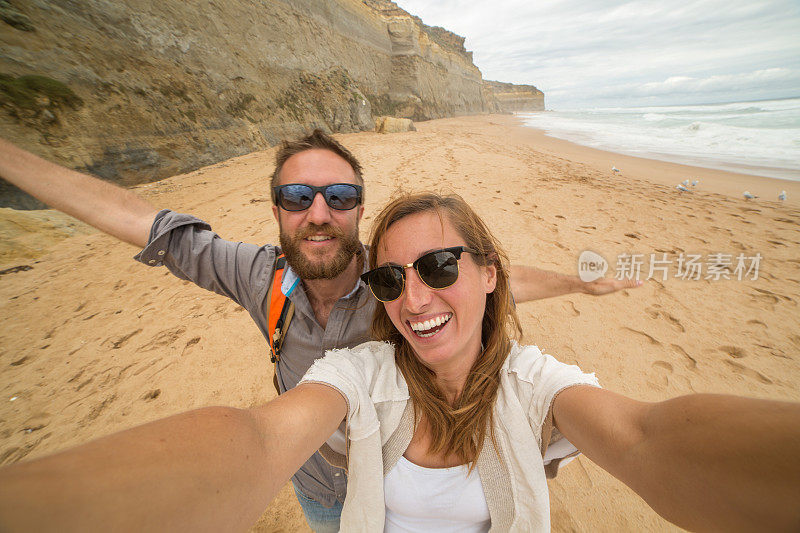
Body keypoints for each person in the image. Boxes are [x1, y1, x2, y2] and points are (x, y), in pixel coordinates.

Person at [0, 192, 798, 533]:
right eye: (391, 277)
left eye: (440, 266)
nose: (414, 296)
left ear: (491, 273)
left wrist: (587, 284)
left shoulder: (536, 387)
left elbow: (649, 438)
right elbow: (252, 441)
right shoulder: (361, 376)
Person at [0, 132, 638, 531]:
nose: (319, 213)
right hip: (312, 482)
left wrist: (577, 283)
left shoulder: (394, 286)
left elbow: (475, 279)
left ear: (360, 206)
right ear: (277, 209)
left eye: (338, 194)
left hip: (388, 481)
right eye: (298, 196)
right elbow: (140, 219)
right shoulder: (257, 277)